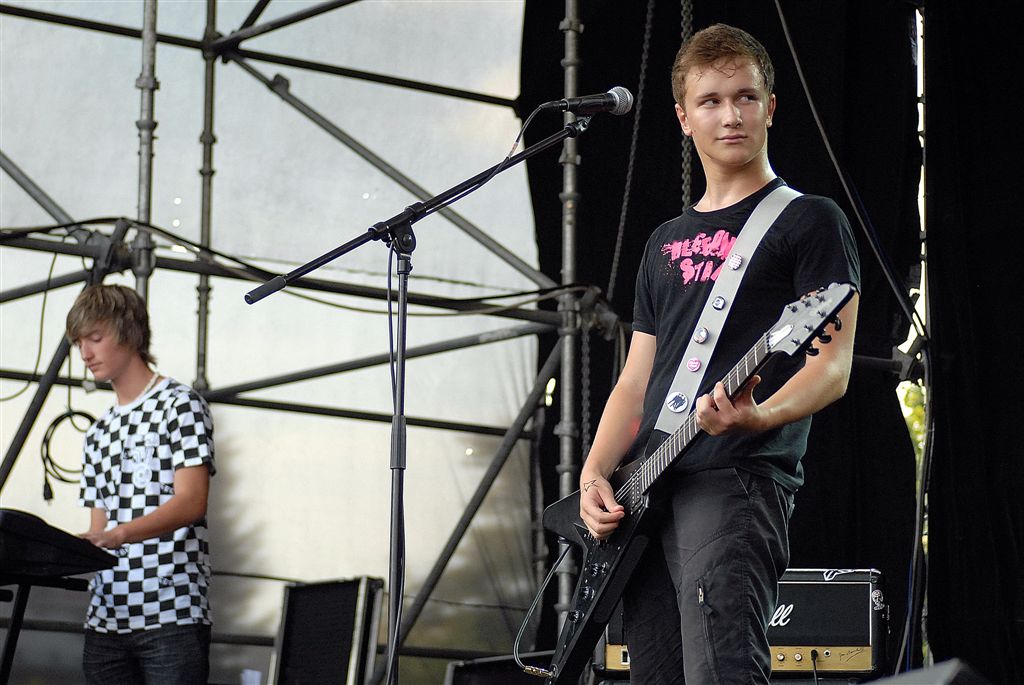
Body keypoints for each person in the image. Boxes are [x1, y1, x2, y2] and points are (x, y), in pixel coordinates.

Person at [578, 24, 860, 684]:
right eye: (710, 101)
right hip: (646, 488)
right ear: (683, 117)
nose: (730, 115)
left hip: (735, 478)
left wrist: (759, 416)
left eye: (745, 97)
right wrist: (594, 472)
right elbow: (637, 380)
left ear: (770, 107)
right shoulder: (663, 240)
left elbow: (833, 367)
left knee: (722, 671)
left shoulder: (810, 220)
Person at [67, 284, 215, 685]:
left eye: (95, 338)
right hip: (106, 619)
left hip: (171, 614)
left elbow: (192, 501)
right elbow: (99, 530)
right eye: (79, 343)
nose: (85, 353)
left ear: (129, 333)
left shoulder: (180, 404)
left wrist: (120, 534)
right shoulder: (97, 432)